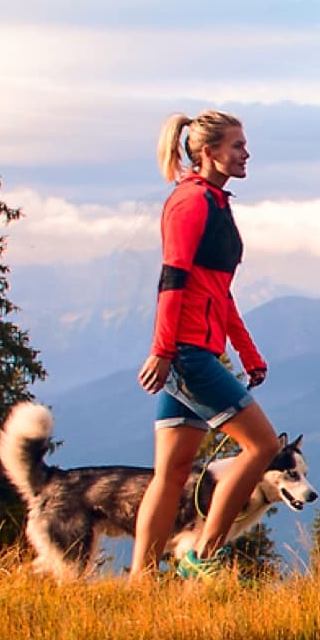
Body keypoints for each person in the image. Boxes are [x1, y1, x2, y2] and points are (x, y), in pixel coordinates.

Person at [132, 110, 277, 580]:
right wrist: (163, 350)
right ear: (209, 152)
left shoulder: (215, 202)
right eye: (237, 145)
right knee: (263, 447)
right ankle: (203, 555)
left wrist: (247, 353)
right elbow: (172, 278)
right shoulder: (190, 202)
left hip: (195, 351)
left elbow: (217, 291)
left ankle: (140, 581)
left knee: (172, 475)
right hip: (187, 353)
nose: (246, 152)